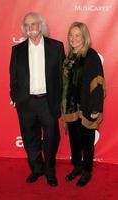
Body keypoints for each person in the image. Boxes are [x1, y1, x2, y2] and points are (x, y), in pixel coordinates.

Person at [9, 12, 65, 187]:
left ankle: (49, 171)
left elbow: (61, 78)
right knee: (30, 139)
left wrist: (59, 102)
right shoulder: (17, 50)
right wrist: (16, 98)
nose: (30, 28)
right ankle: (36, 169)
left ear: (40, 26)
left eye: (33, 24)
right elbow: (14, 77)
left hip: (48, 102)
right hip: (26, 103)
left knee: (50, 139)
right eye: (27, 25)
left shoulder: (56, 47)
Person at [62, 22, 105, 187]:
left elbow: (98, 83)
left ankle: (87, 171)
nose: (73, 38)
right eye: (71, 35)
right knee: (74, 140)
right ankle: (77, 167)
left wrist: (96, 108)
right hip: (71, 108)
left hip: (86, 107)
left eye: (77, 35)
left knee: (87, 142)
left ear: (84, 37)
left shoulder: (91, 56)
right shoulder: (69, 57)